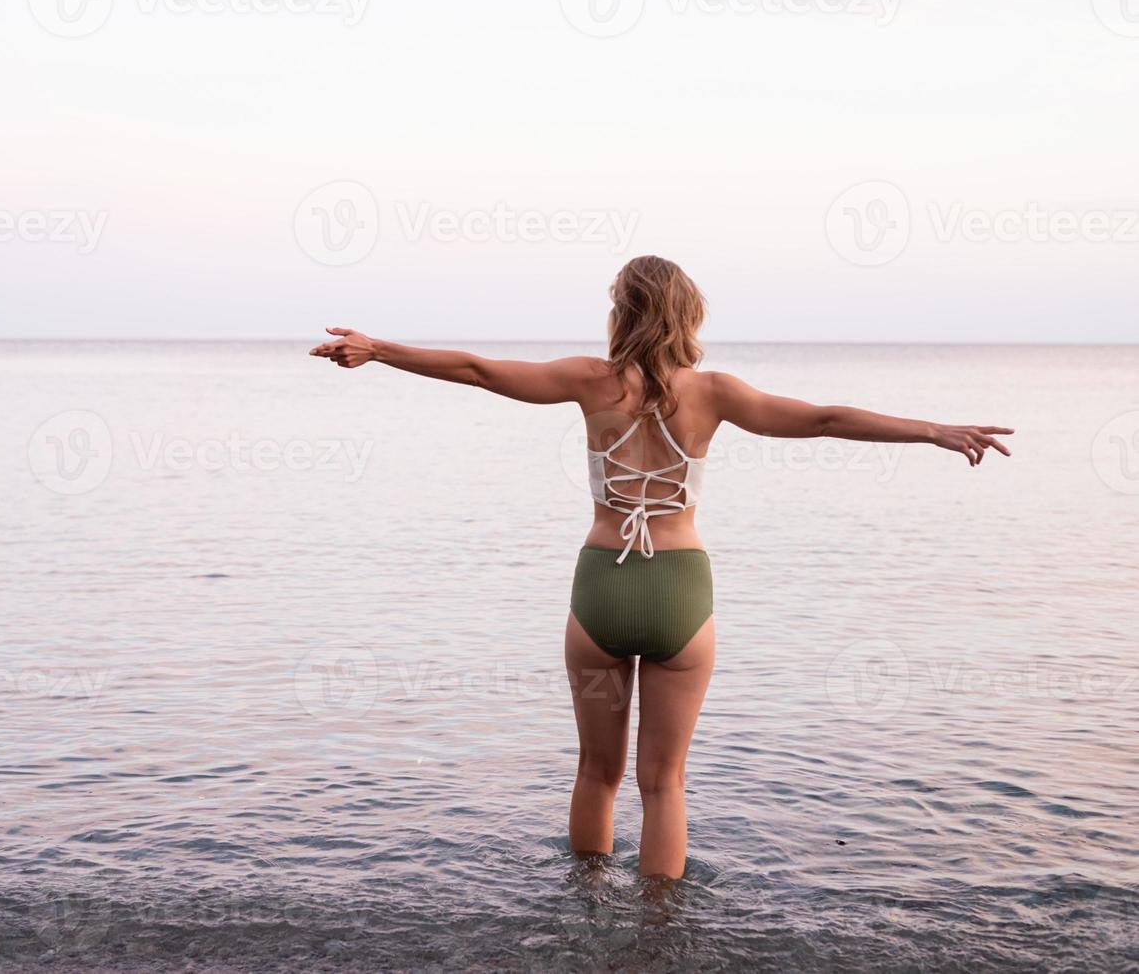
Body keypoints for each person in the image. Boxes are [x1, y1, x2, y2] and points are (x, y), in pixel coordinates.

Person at [309, 255, 1013, 879]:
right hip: (678, 588)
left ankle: (583, 915)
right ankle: (660, 934)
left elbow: (477, 370)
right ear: (688, 314)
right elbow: (824, 419)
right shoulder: (715, 394)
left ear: (621, 311)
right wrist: (933, 431)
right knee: (664, 782)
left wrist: (378, 349)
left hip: (601, 585)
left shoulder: (589, 381)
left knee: (596, 771)